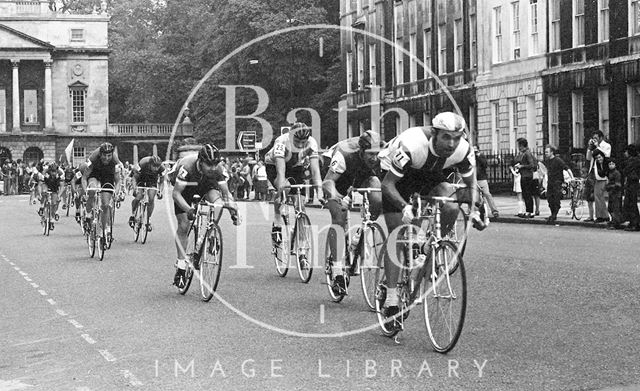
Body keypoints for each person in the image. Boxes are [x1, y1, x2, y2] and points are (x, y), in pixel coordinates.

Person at [377, 112, 486, 325]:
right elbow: (387, 185)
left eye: (457, 137)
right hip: (397, 175)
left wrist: (475, 210)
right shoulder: (413, 144)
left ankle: (428, 246)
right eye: (446, 137)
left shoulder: (463, 149)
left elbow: (472, 186)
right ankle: (391, 298)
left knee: (450, 202)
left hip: (428, 171)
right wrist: (404, 206)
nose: (452, 143)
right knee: (397, 236)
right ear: (434, 134)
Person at [322, 130, 385, 294]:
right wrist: (336, 196)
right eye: (370, 154)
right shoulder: (345, 153)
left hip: (362, 175)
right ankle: (336, 272)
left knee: (377, 196)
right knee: (339, 216)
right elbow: (328, 182)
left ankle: (358, 238)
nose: (374, 158)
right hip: (338, 178)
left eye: (376, 154)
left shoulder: (381, 157)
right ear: (361, 151)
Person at [170, 144, 239, 288]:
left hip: (206, 184)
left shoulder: (218, 169)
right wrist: (188, 209)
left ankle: (211, 231)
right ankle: (181, 267)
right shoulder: (187, 167)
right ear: (200, 161)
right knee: (184, 225)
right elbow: (176, 194)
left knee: (218, 202)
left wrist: (233, 210)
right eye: (209, 164)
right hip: (185, 188)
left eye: (215, 164)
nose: (213, 168)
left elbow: (226, 194)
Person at [265, 122, 323, 246]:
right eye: (297, 142)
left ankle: (302, 247)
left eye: (304, 142)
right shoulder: (281, 142)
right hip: (274, 165)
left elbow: (315, 170)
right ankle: (277, 221)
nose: (301, 145)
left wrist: (320, 191)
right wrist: (280, 191)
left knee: (301, 204)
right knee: (285, 187)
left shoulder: (312, 143)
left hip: (296, 166)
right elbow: (281, 172)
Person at [82, 142, 123, 244]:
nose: (106, 158)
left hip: (107, 176)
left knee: (105, 204)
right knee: (92, 189)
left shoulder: (115, 162)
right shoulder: (93, 159)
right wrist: (85, 192)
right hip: (94, 174)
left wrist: (116, 193)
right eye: (104, 155)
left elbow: (118, 181)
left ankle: (104, 230)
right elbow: (84, 178)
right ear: (100, 154)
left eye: (109, 156)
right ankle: (88, 215)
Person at [128, 155, 165, 232]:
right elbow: (134, 178)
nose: (156, 168)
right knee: (138, 197)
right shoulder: (143, 164)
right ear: (150, 164)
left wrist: (160, 191)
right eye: (154, 166)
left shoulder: (162, 168)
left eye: (157, 167)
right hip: (141, 179)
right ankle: (132, 215)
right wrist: (135, 189)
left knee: (151, 198)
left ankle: (148, 220)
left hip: (152, 181)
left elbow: (161, 182)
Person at [584, 130, 611, 222]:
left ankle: (603, 216)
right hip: (593, 172)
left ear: (601, 138)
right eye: (593, 138)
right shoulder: (594, 147)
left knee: (599, 195)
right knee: (593, 195)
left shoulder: (606, 146)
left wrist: (596, 147)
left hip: (601, 173)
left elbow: (605, 156)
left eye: (596, 138)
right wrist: (589, 148)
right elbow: (588, 158)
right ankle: (596, 215)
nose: (594, 140)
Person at [544, 145, 573, 223]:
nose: (545, 153)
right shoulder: (547, 161)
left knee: (556, 198)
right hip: (550, 182)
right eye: (545, 152)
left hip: (557, 182)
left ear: (552, 152)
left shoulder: (558, 160)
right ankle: (552, 213)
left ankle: (554, 214)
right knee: (549, 198)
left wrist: (572, 177)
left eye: (547, 152)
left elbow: (566, 168)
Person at [513, 138, 537, 218]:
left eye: (519, 145)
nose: (518, 147)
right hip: (524, 175)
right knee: (525, 194)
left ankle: (530, 211)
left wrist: (521, 166)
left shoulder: (527, 153)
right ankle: (528, 211)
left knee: (527, 194)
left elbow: (532, 165)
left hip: (527, 176)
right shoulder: (523, 153)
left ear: (522, 145)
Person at [473, 146, 499, 219]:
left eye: (475, 149)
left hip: (482, 179)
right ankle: (479, 212)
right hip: (474, 179)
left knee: (487, 194)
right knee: (476, 197)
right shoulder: (470, 157)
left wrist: (479, 156)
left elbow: (485, 165)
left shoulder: (481, 156)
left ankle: (494, 210)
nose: (474, 151)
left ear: (478, 150)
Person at [39, 163, 64, 231]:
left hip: (54, 187)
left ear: (57, 171)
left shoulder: (60, 174)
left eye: (54, 171)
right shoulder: (45, 173)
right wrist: (40, 194)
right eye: (52, 171)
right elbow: (40, 184)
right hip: (46, 184)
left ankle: (52, 219)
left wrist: (59, 195)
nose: (53, 173)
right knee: (44, 192)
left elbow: (62, 186)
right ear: (49, 171)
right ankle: (42, 208)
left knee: (54, 203)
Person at [622, 144, 640, 231]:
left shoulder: (633, 161)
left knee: (631, 202)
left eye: (626, 151)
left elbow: (626, 170)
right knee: (630, 202)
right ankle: (633, 222)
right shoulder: (636, 160)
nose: (625, 153)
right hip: (632, 182)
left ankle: (635, 223)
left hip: (633, 182)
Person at [606, 158, 623, 230]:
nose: (611, 165)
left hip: (616, 193)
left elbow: (618, 184)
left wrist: (609, 186)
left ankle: (616, 223)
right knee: (610, 208)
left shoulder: (617, 173)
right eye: (609, 164)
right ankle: (613, 221)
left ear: (615, 165)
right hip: (611, 193)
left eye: (612, 164)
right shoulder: (610, 173)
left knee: (615, 208)